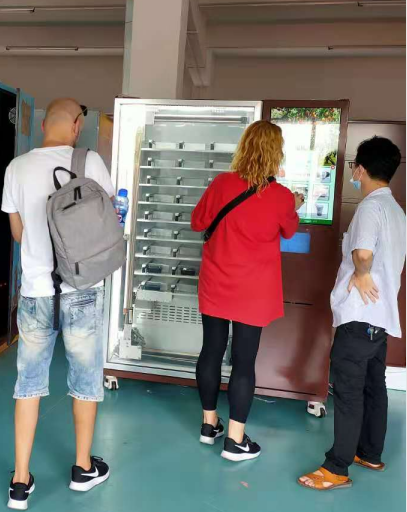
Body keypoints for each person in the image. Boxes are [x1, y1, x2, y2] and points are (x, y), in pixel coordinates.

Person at [1, 98, 115, 510]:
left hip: (34, 292)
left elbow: (17, 234)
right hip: (82, 288)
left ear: (44, 123)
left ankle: (19, 481)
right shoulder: (90, 162)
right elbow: (107, 224)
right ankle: (83, 467)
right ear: (77, 125)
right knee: (85, 380)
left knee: (27, 384)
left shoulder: (16, 167)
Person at [191, 120, 304, 462]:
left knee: (211, 350)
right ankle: (236, 440)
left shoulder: (222, 183)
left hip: (216, 282)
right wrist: (295, 203)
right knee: (243, 361)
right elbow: (288, 230)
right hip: (253, 291)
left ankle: (210, 425)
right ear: (276, 153)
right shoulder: (281, 195)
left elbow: (198, 222)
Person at [299, 136, 406, 491]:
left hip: (359, 318)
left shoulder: (370, 208)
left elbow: (362, 253)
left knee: (347, 392)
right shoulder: (396, 210)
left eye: (354, 167)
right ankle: (369, 452)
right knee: (375, 387)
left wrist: (361, 273)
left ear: (361, 169)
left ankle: (336, 468)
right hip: (381, 320)